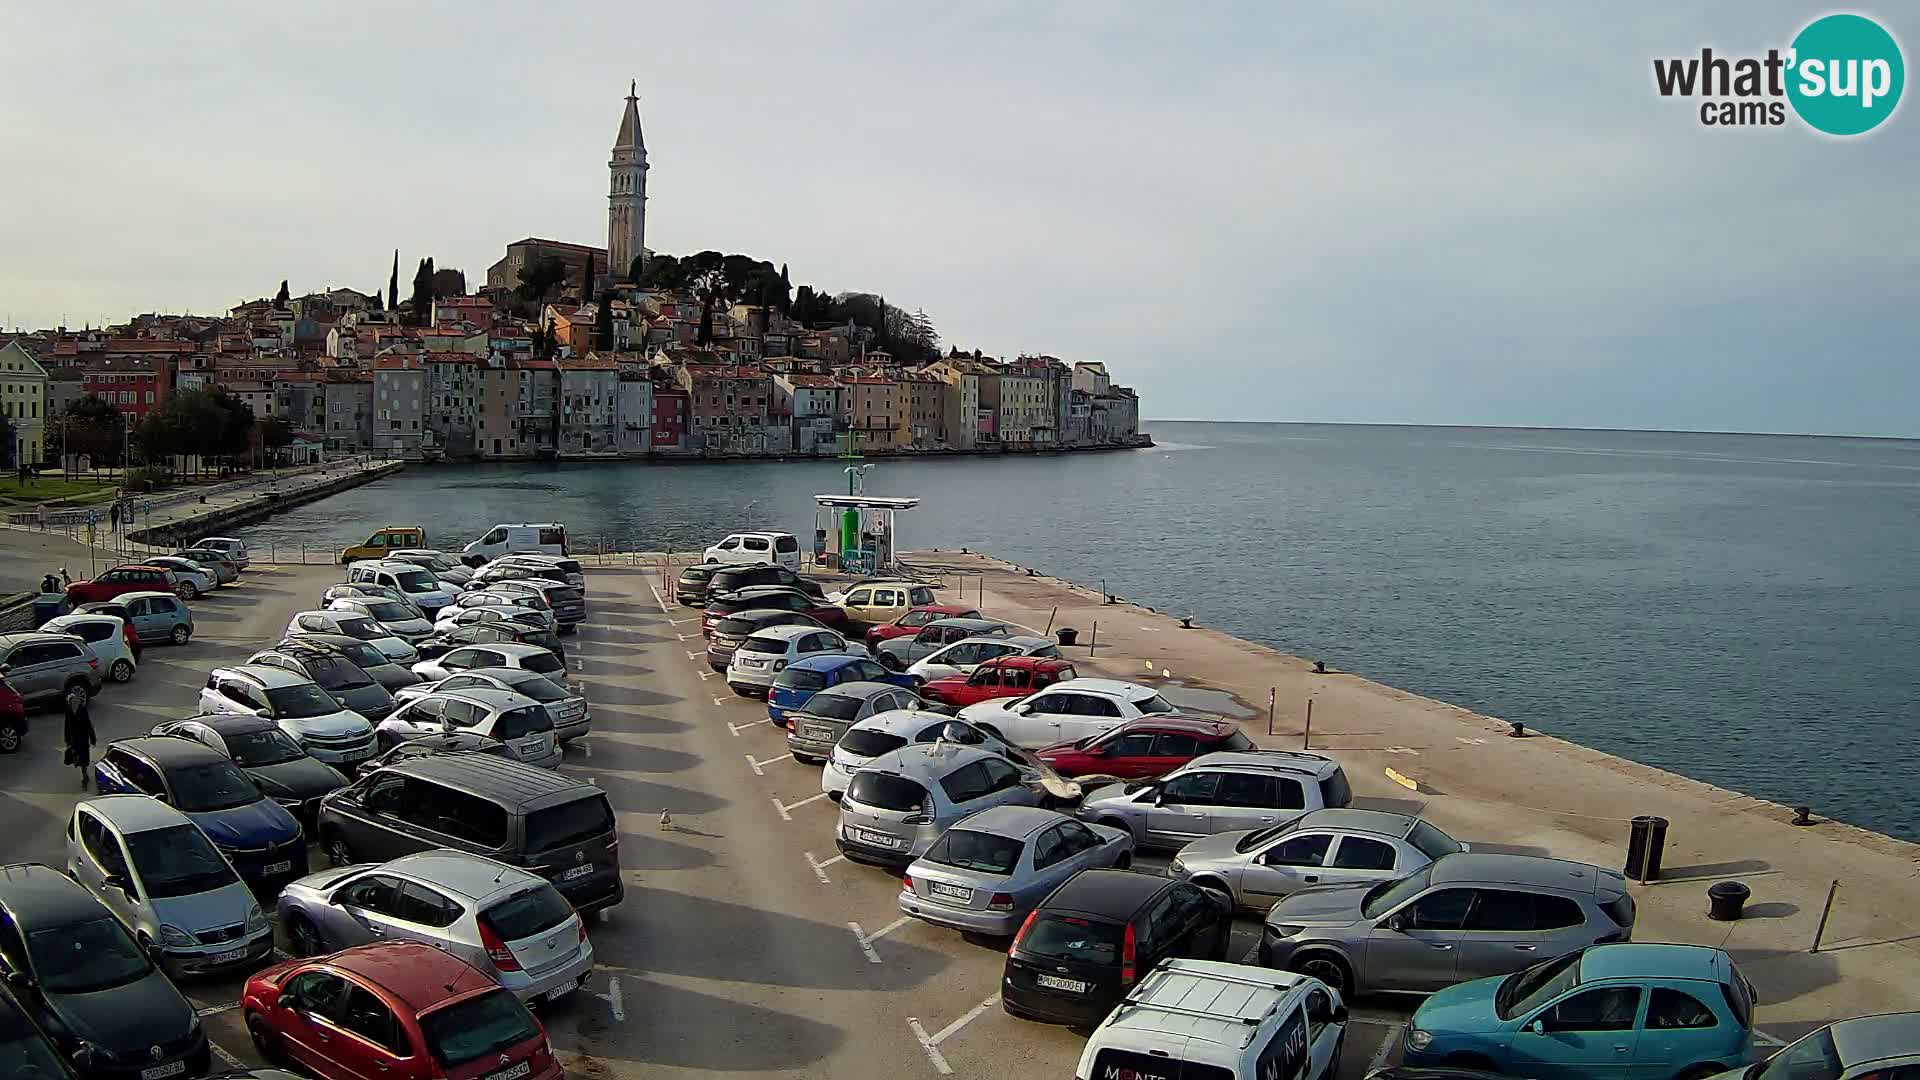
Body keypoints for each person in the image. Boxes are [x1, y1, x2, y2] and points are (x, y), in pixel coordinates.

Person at [63, 690, 96, 789]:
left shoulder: (82, 710)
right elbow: (67, 726)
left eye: (75, 701)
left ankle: (85, 777)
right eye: (72, 702)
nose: (74, 703)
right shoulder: (69, 711)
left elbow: (88, 724)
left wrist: (92, 738)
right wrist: (67, 740)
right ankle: (84, 773)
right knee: (78, 758)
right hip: (75, 739)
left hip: (83, 738)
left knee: (83, 759)